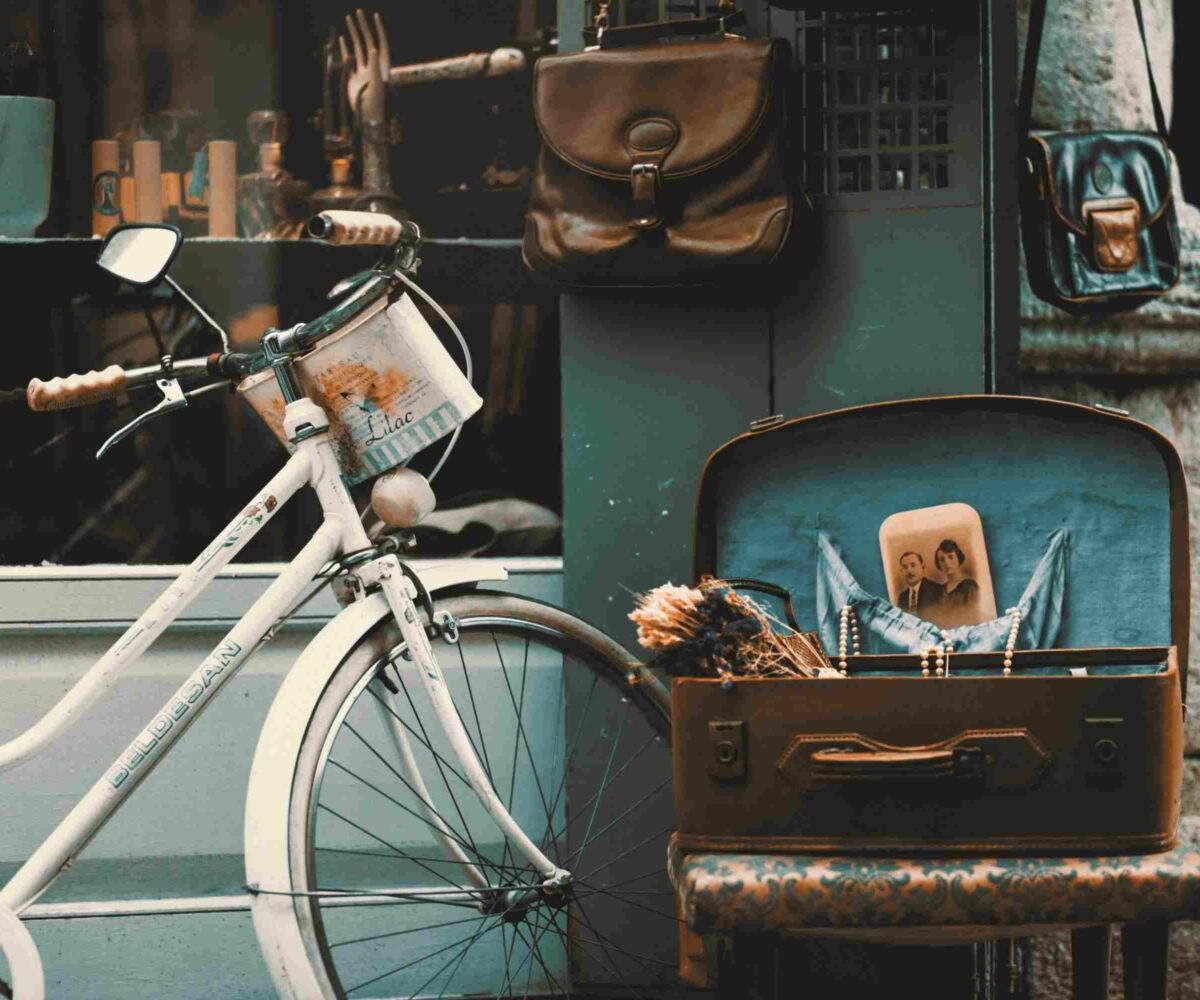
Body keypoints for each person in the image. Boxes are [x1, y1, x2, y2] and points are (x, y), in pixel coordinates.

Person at [935, 538, 979, 610]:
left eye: (950, 557)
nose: (946, 562)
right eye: (942, 559)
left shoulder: (969, 586)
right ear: (938, 564)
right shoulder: (940, 590)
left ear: (958, 558)